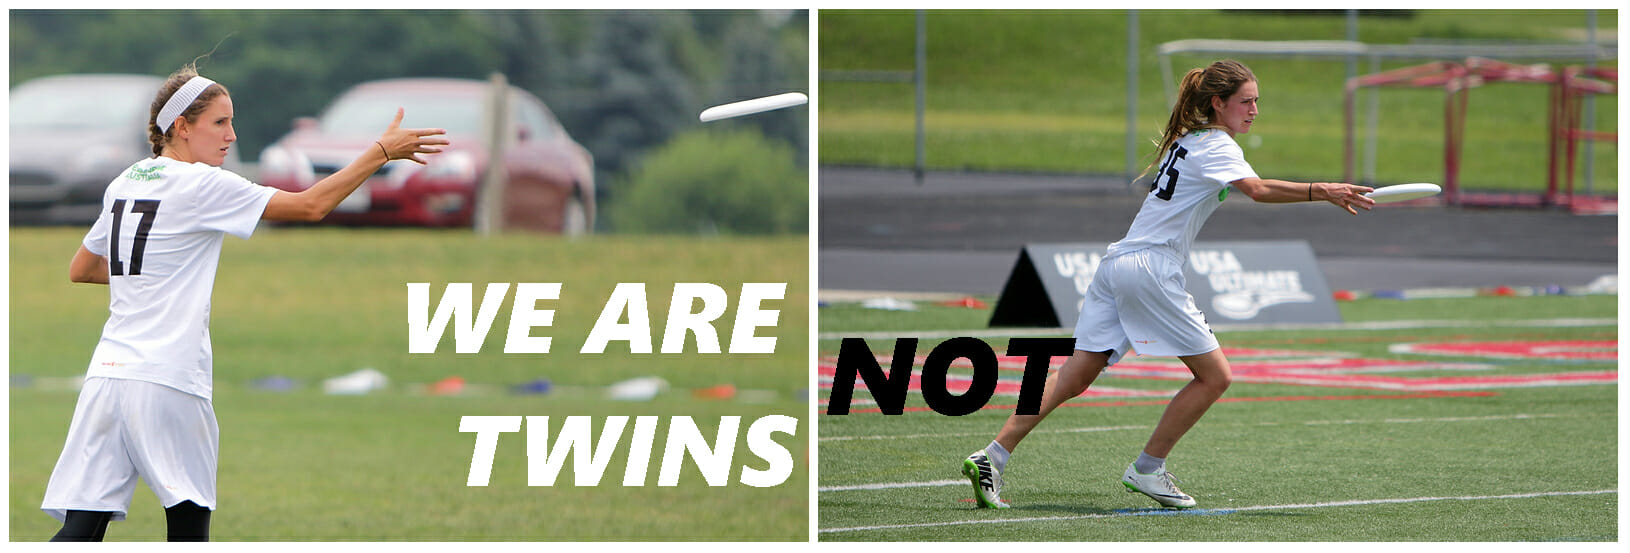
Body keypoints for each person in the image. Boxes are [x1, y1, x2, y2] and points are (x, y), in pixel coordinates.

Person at [40, 63, 448, 541]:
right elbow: (311, 205)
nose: (232, 135)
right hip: (168, 379)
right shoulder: (201, 184)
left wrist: (157, 270)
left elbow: (83, 268)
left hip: (107, 377)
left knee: (81, 531)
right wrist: (381, 152)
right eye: (220, 122)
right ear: (182, 127)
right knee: (189, 531)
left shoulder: (127, 180)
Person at [960, 59, 1375, 510]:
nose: (1254, 110)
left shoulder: (1191, 139)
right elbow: (1257, 190)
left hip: (1117, 263)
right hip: (1149, 269)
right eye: (1246, 101)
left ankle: (993, 456)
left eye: (1257, 101)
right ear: (1218, 103)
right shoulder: (1217, 144)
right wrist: (1323, 190)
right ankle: (1148, 469)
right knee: (1215, 376)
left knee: (1074, 374)